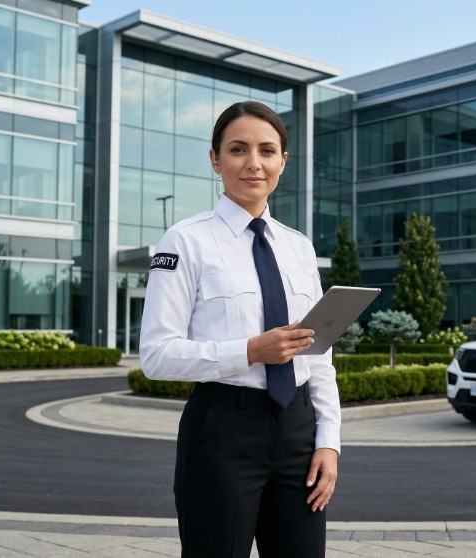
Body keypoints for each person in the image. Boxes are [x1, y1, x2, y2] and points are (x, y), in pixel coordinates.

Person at [140, 100, 340, 557]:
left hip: (298, 430)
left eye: (267, 151)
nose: (254, 163)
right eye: (237, 149)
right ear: (215, 159)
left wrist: (329, 442)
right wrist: (249, 350)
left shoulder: (298, 248)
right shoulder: (185, 241)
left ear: (283, 162)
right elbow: (155, 355)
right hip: (222, 433)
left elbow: (320, 354)